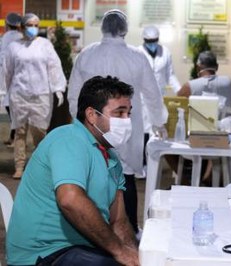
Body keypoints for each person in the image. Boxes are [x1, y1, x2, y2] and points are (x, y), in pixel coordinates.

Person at [6, 76, 139, 266]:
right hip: (44, 255)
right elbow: (70, 199)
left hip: (81, 249)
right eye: (119, 113)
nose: (127, 121)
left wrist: (134, 256)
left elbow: (118, 220)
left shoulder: (112, 158)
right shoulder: (69, 139)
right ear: (92, 115)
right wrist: (120, 252)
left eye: (129, 113)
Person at [68, 9, 168, 239]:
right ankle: (130, 230)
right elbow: (152, 94)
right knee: (127, 176)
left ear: (103, 28)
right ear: (125, 30)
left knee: (93, 174)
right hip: (126, 125)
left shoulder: (87, 54)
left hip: (94, 125)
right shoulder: (137, 56)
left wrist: (79, 124)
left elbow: (73, 94)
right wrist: (159, 122)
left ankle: (93, 231)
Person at [3, 13, 66, 179]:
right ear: (22, 27)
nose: (34, 28)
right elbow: (7, 71)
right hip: (19, 94)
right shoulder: (13, 47)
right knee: (20, 132)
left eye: (36, 25)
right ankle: (19, 166)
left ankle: (39, 165)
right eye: (30, 25)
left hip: (41, 95)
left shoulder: (44, 45)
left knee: (40, 132)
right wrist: (6, 92)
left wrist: (58, 88)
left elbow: (54, 67)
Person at [138, 25, 181, 178]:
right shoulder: (137, 52)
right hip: (141, 99)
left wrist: (180, 91)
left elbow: (170, 75)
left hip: (158, 99)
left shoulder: (166, 53)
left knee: (156, 132)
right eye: (149, 41)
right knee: (141, 134)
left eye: (154, 40)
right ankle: (141, 165)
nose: (152, 43)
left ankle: (153, 165)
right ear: (144, 40)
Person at [177, 50, 231, 118]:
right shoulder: (228, 82)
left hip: (199, 128)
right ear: (217, 67)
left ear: (198, 67)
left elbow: (176, 105)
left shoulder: (189, 86)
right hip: (226, 127)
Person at [0, 12, 23, 147]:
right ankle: (14, 135)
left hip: (9, 75)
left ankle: (16, 137)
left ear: (7, 24)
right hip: (20, 75)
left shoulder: (6, 37)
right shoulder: (22, 36)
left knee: (10, 105)